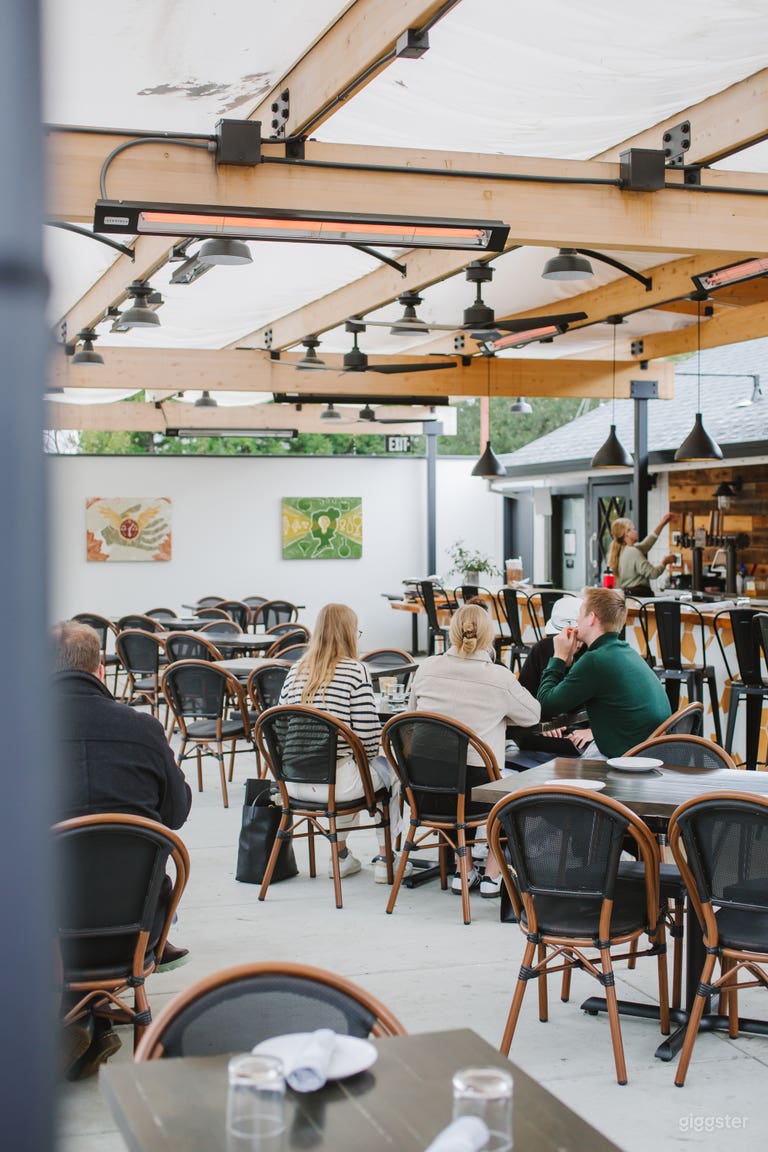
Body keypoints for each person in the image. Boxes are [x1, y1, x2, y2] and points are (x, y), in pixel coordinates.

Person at [52, 620, 192, 1078]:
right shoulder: (144, 729)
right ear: (99, 669)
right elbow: (176, 813)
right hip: (134, 931)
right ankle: (94, 1012)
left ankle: (74, 1014)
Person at [408, 603, 540, 897]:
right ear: (489, 636)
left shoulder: (426, 668)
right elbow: (533, 715)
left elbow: (412, 716)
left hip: (422, 788)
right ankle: (493, 875)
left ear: (452, 632)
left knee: (453, 773)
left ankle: (463, 870)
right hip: (476, 795)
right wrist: (498, 714)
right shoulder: (498, 678)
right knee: (514, 786)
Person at [277, 603, 405, 884]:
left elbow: (280, 731)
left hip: (293, 783)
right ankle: (386, 860)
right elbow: (368, 739)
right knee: (392, 771)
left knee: (350, 766)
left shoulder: (295, 670)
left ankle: (342, 856)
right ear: (349, 633)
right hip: (338, 786)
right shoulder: (355, 671)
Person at [536, 587, 671, 758]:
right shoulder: (626, 651)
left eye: (580, 613)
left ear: (591, 618)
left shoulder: (595, 660)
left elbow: (545, 706)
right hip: (651, 752)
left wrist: (559, 657)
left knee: (549, 766)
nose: (577, 620)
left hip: (627, 759)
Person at [507, 595, 593, 766]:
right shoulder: (541, 650)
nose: (573, 643)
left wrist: (594, 731)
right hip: (544, 737)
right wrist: (541, 724)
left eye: (577, 637)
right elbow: (523, 698)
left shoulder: (594, 656)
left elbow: (614, 708)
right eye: (565, 636)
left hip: (584, 736)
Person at [608, 512, 676, 597]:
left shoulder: (623, 550)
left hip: (629, 596)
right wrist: (664, 562)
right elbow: (653, 573)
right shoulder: (633, 552)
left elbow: (647, 544)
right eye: (633, 529)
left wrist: (662, 523)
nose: (636, 531)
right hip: (639, 596)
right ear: (627, 533)